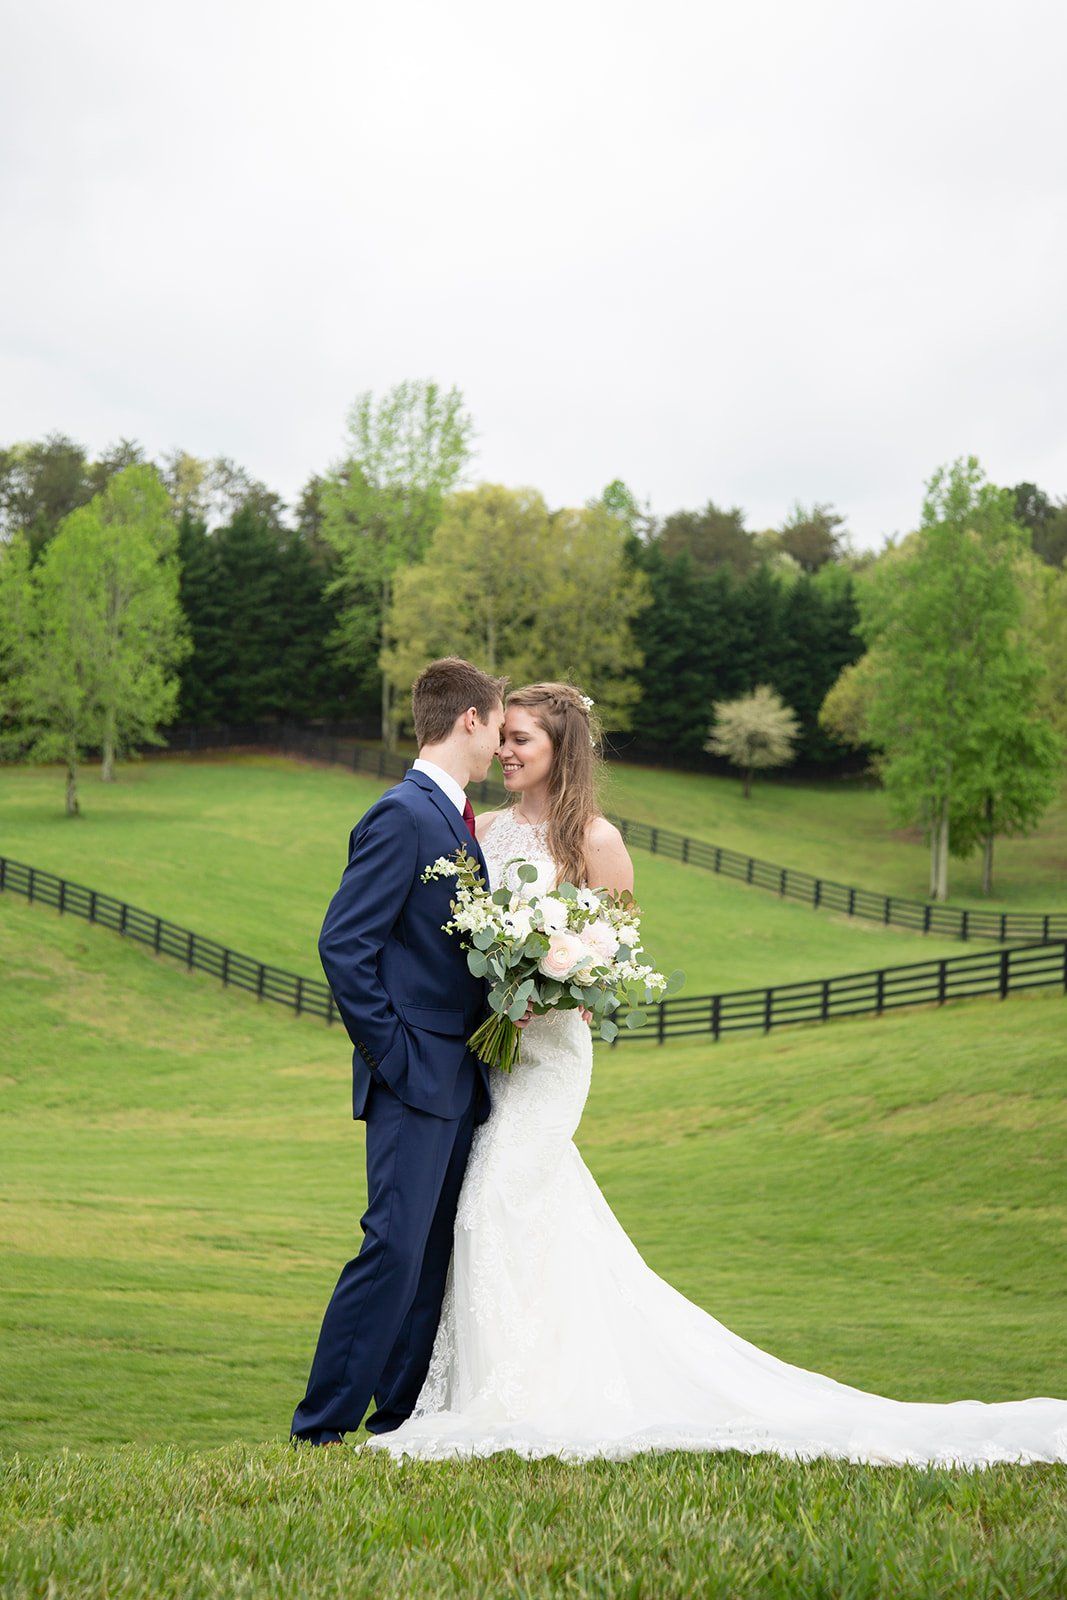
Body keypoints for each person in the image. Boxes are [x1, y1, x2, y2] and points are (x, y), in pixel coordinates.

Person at [361, 681, 1067, 1466]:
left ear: (562, 750)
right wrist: (492, 985)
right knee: (511, 1215)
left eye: (522, 739)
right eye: (504, 736)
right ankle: (504, 1379)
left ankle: (514, 1397)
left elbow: (611, 964)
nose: (505, 750)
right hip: (481, 1059)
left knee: (488, 1206)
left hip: (547, 1060)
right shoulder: (481, 829)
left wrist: (548, 992)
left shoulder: (594, 841)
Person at [290, 657, 507, 1445]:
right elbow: (344, 946)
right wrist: (396, 1056)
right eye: (496, 725)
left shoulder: (453, 818)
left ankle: (400, 1421)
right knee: (392, 1248)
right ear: (469, 721)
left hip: (460, 1078)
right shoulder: (402, 815)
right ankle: (320, 1427)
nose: (498, 746)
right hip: (415, 1076)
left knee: (429, 1258)